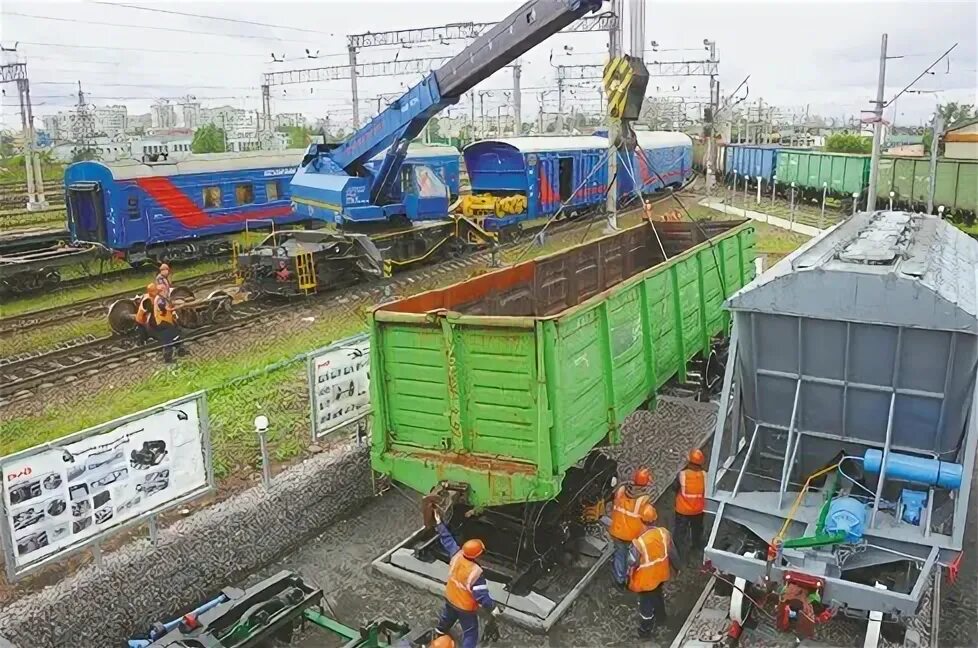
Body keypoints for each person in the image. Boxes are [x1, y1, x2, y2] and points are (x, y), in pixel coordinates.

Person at [423, 495, 501, 648]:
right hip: (465, 607)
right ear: (478, 555)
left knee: (448, 617)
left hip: (451, 598)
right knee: (471, 632)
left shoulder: (457, 555)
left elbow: (447, 539)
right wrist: (493, 608)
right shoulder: (475, 572)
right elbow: (481, 595)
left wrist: (438, 522)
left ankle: (440, 631)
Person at [627, 506, 680, 638]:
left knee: (645, 606)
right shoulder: (664, 534)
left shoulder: (639, 543)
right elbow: (673, 554)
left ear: (641, 520)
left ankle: (645, 631)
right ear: (655, 520)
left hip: (645, 581)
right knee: (657, 595)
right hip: (661, 575)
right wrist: (677, 568)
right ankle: (661, 618)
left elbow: (632, 562)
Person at [607, 467, 654, 588]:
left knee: (619, 554)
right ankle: (633, 577)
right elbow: (650, 517)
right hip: (633, 535)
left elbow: (614, 499)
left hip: (617, 532)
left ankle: (620, 579)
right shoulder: (643, 501)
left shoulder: (621, 491)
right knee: (634, 556)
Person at [674, 448, 707, 559]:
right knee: (697, 529)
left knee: (680, 532)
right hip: (698, 509)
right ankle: (696, 545)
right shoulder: (704, 475)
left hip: (682, 509)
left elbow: (675, 488)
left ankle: (679, 551)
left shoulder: (682, 475)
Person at [152, 290, 182, 364]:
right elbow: (165, 308)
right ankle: (168, 359)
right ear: (161, 292)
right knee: (168, 341)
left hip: (165, 322)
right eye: (164, 291)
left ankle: (180, 350)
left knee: (175, 335)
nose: (166, 292)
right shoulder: (160, 299)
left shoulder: (160, 298)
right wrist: (176, 307)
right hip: (163, 322)